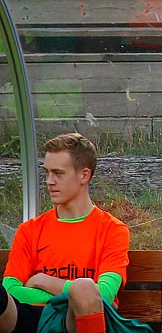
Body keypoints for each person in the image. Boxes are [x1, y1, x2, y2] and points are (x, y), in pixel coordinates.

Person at [3, 133, 129, 333]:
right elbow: (9, 289)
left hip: (75, 320)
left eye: (58, 173)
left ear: (84, 175)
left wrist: (42, 281)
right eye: (47, 173)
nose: (49, 181)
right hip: (32, 318)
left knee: (86, 289)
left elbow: (102, 295)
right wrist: (67, 297)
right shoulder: (30, 230)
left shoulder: (113, 230)